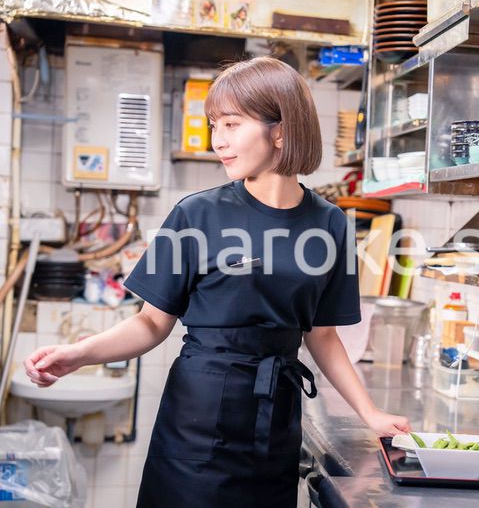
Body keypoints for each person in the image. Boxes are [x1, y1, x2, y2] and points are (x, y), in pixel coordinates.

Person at [24, 57, 411, 507]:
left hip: (276, 424)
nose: (217, 141)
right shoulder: (196, 215)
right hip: (197, 422)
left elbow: (322, 334)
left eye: (231, 124)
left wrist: (370, 413)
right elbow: (151, 324)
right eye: (214, 125)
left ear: (281, 130)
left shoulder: (331, 226)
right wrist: (79, 354)